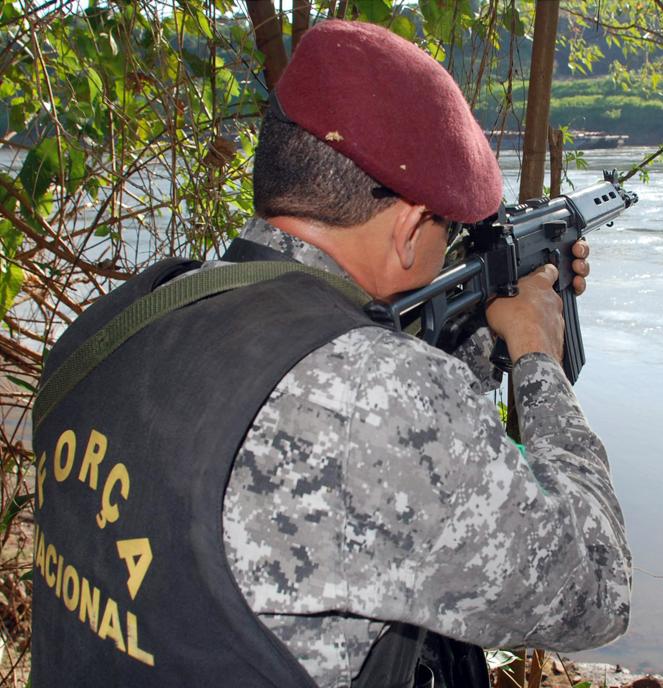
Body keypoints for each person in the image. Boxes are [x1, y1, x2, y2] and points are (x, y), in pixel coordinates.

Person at [30, 18, 631, 688]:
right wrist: (536, 353)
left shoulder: (129, 315)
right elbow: (595, 591)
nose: (453, 244)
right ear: (408, 229)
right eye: (451, 228)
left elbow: (349, 447)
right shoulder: (379, 402)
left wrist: (485, 332)